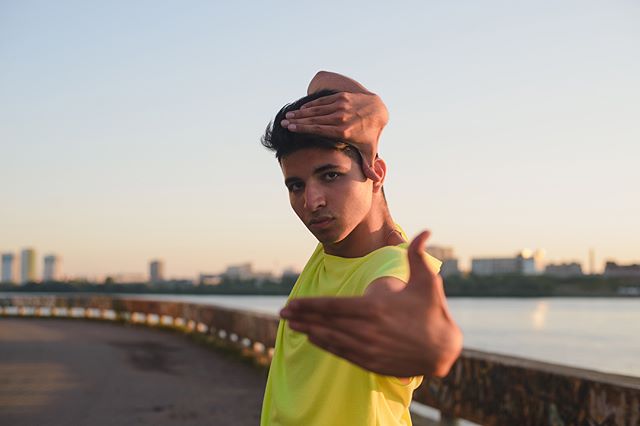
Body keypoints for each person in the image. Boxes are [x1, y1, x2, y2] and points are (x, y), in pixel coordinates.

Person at [259, 71, 462, 426]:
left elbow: (391, 304)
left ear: (376, 172)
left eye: (330, 175)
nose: (311, 201)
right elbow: (320, 82)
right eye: (296, 185)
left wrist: (431, 347)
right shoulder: (335, 246)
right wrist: (377, 112)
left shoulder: (393, 267)